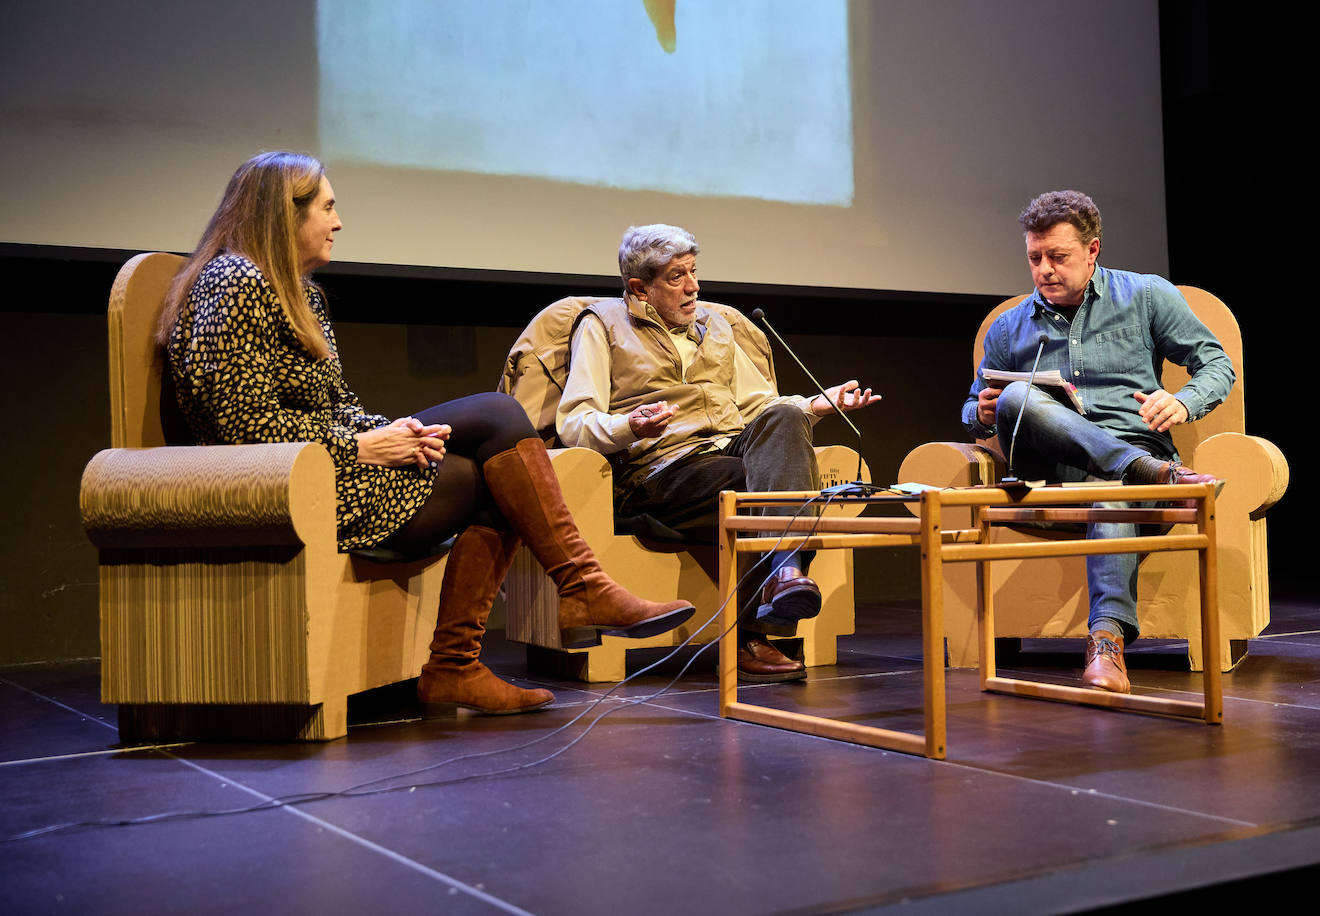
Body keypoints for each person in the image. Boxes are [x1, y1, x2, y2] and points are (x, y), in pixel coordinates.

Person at [158, 152, 694, 716]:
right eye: (327, 207)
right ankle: (549, 608)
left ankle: (483, 651)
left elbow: (338, 406)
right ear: (281, 215)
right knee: (498, 421)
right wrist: (361, 445)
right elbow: (237, 425)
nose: (337, 222)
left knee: (501, 452)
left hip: (334, 464)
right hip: (292, 485)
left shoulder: (302, 292)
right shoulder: (234, 280)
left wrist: (394, 433)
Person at [557, 224, 880, 683]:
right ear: (639, 288)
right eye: (675, 277)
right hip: (661, 467)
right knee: (746, 479)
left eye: (693, 272)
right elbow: (574, 421)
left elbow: (760, 407)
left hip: (727, 450)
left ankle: (785, 574)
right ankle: (752, 631)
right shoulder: (603, 326)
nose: (693, 287)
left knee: (786, 420)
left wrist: (817, 405)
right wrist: (629, 425)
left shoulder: (718, 327)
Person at [961, 190, 1234, 693]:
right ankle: (1136, 467)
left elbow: (1216, 365)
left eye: (1058, 257)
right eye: (1034, 258)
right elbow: (973, 405)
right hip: (1048, 467)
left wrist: (1182, 402)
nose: (1044, 269)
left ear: (1093, 251)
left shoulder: (1147, 296)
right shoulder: (1008, 327)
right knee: (1016, 397)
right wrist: (979, 413)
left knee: (1109, 484)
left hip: (1123, 461)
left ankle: (1106, 645)